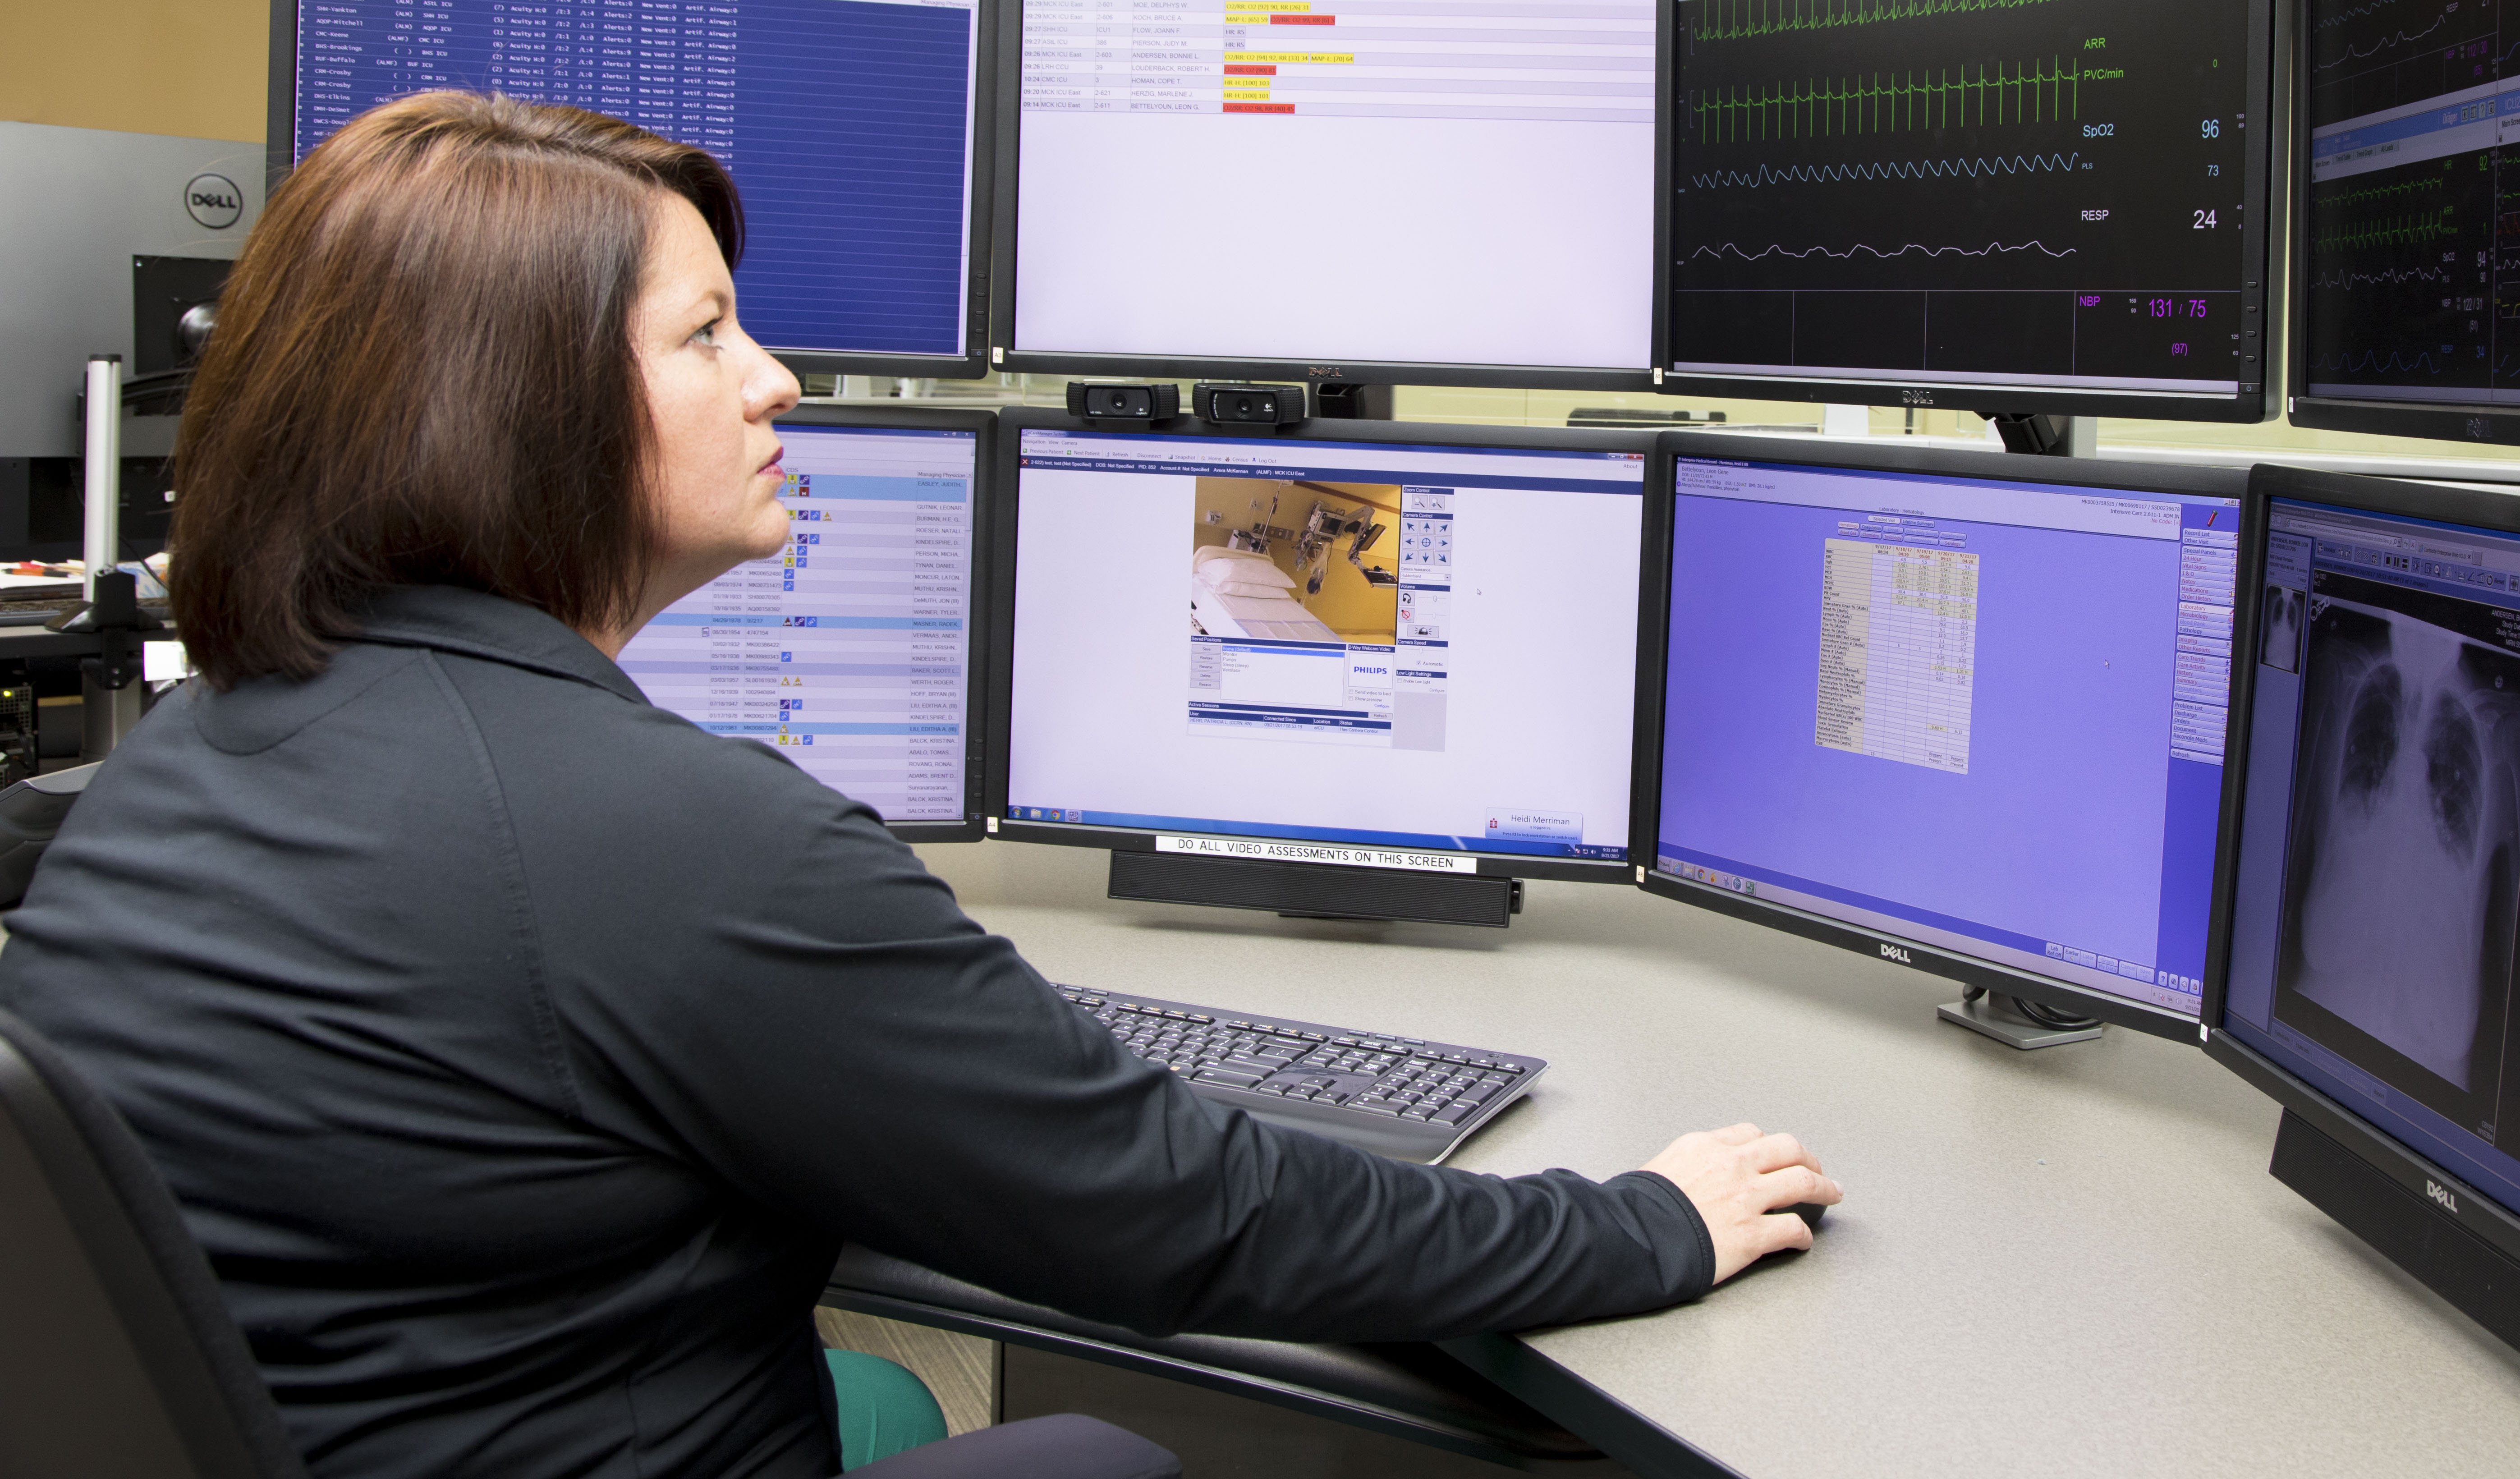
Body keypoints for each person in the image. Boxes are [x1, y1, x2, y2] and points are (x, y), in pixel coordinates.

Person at [0, 93, 1839, 1479]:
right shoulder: (672, 842)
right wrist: (1640, 1221)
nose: (778, 379)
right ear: (518, 405)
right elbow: (1184, 1208)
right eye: (706, 333)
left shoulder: (178, 772)